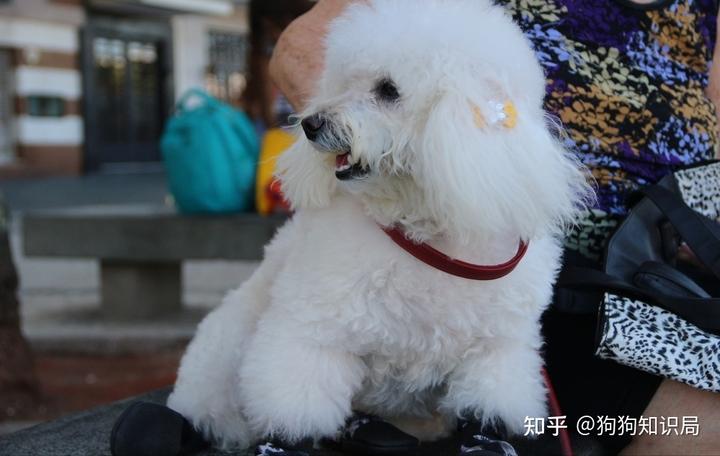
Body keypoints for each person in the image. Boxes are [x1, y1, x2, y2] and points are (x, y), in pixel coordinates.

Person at [270, 0, 720, 454]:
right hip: (529, 290)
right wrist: (397, 159)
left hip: (669, 287)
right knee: (695, 426)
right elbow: (301, 49)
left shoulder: (702, 10)